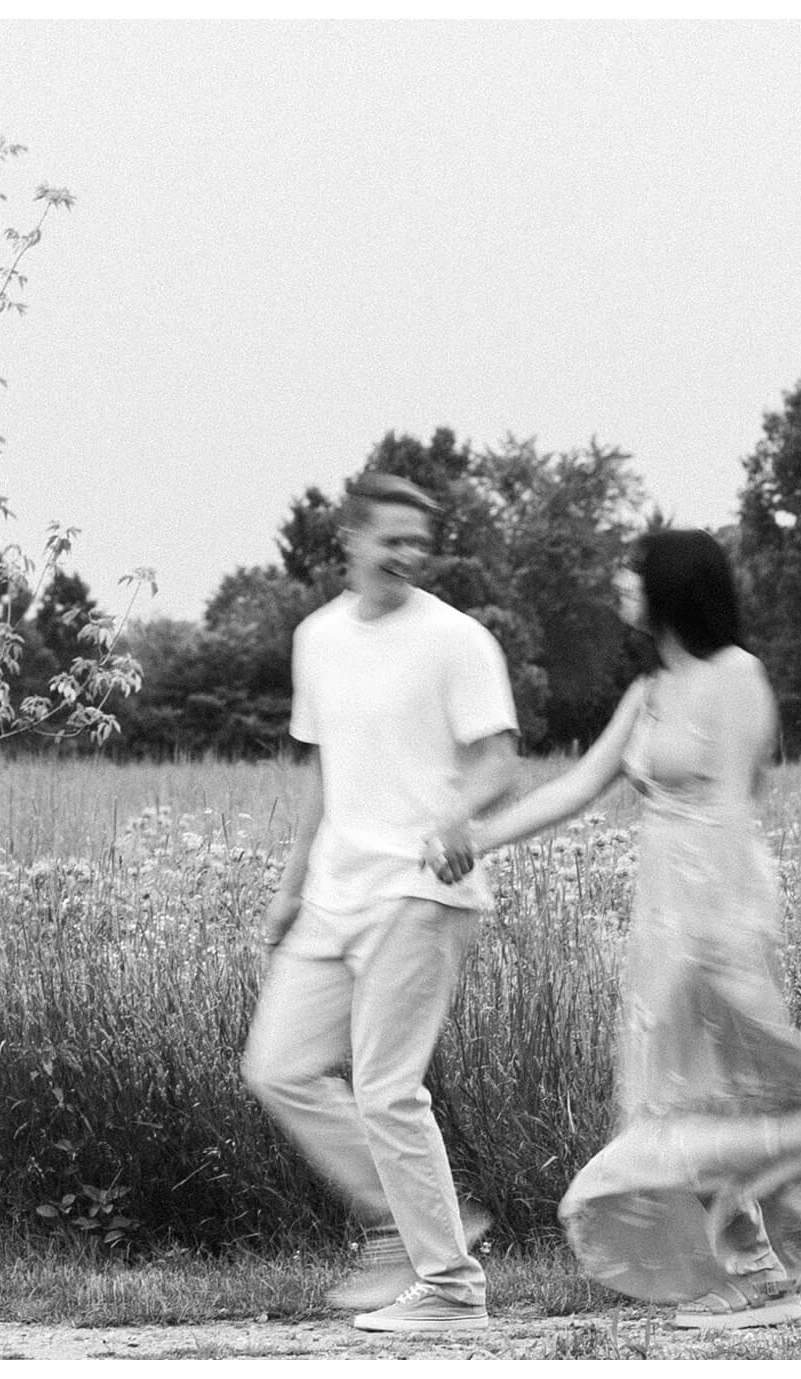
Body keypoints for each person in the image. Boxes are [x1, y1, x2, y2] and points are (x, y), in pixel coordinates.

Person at [427, 528, 801, 1330]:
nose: (621, 580)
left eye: (635, 569)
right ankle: (759, 1274)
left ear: (673, 587)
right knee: (684, 1100)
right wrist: (473, 837)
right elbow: (578, 785)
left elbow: (729, 803)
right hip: (662, 913)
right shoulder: (650, 691)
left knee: (734, 1083)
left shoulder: (737, 677)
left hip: (718, 906)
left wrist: (716, 938)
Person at [240, 471, 519, 1334]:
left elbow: (502, 762)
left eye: (418, 541)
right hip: (335, 889)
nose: (406, 554)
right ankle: (402, 1224)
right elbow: (328, 778)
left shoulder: (457, 640)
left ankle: (449, 1283)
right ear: (351, 541)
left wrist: (455, 818)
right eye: (390, 538)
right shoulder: (316, 638)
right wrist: (290, 890)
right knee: (278, 1066)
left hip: (423, 887)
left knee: (389, 1086)